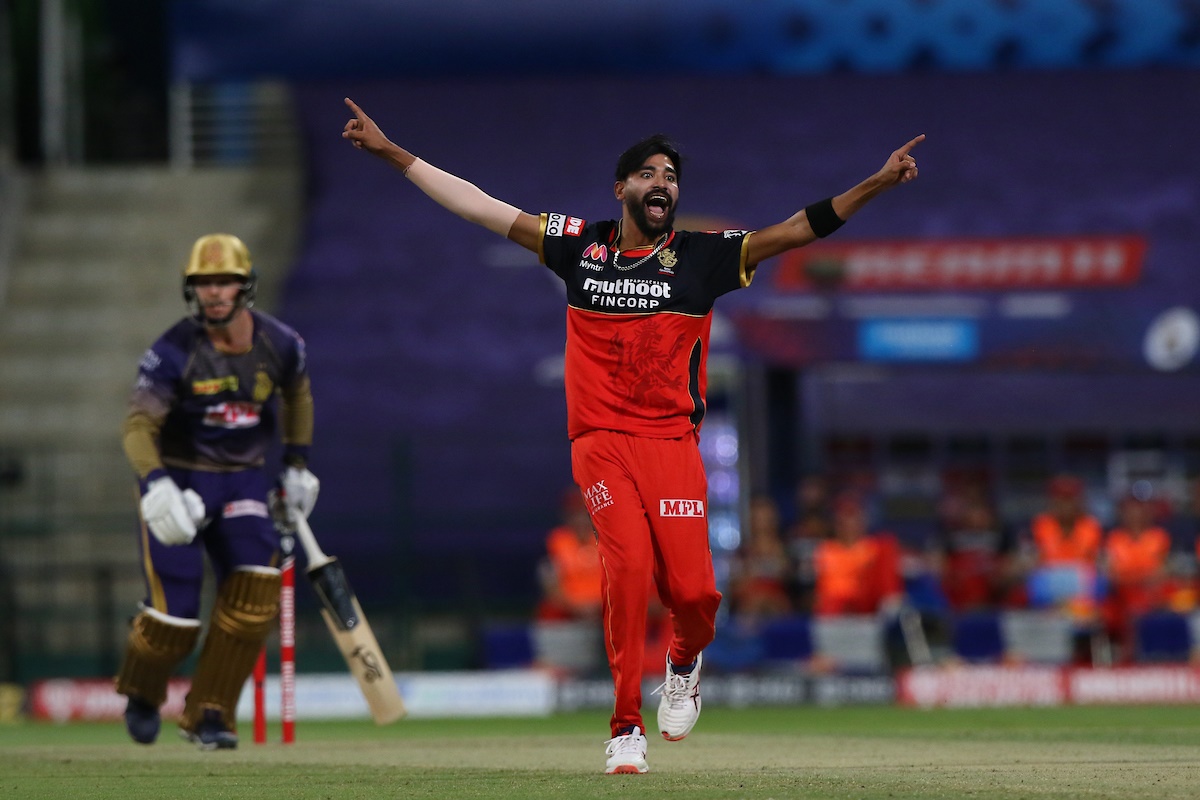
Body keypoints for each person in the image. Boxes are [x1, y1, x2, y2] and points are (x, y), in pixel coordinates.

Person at [342, 97, 923, 773]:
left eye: (673, 176)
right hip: (600, 441)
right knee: (628, 568)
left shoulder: (704, 259)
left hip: (671, 444)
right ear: (621, 189)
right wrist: (392, 152)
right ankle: (624, 727)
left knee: (699, 596)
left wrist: (876, 183)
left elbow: (796, 229)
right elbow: (480, 205)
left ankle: (682, 664)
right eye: (649, 173)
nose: (664, 183)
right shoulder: (579, 246)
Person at [114, 233, 319, 749]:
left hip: (243, 479)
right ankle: (142, 691)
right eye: (204, 283)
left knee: (254, 596)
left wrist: (296, 464)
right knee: (174, 619)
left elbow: (298, 396)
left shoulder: (281, 344)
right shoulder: (172, 352)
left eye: (224, 280)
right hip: (179, 481)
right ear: (192, 289)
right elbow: (139, 426)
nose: (214, 292)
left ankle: (210, 714)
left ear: (245, 285)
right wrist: (155, 484)